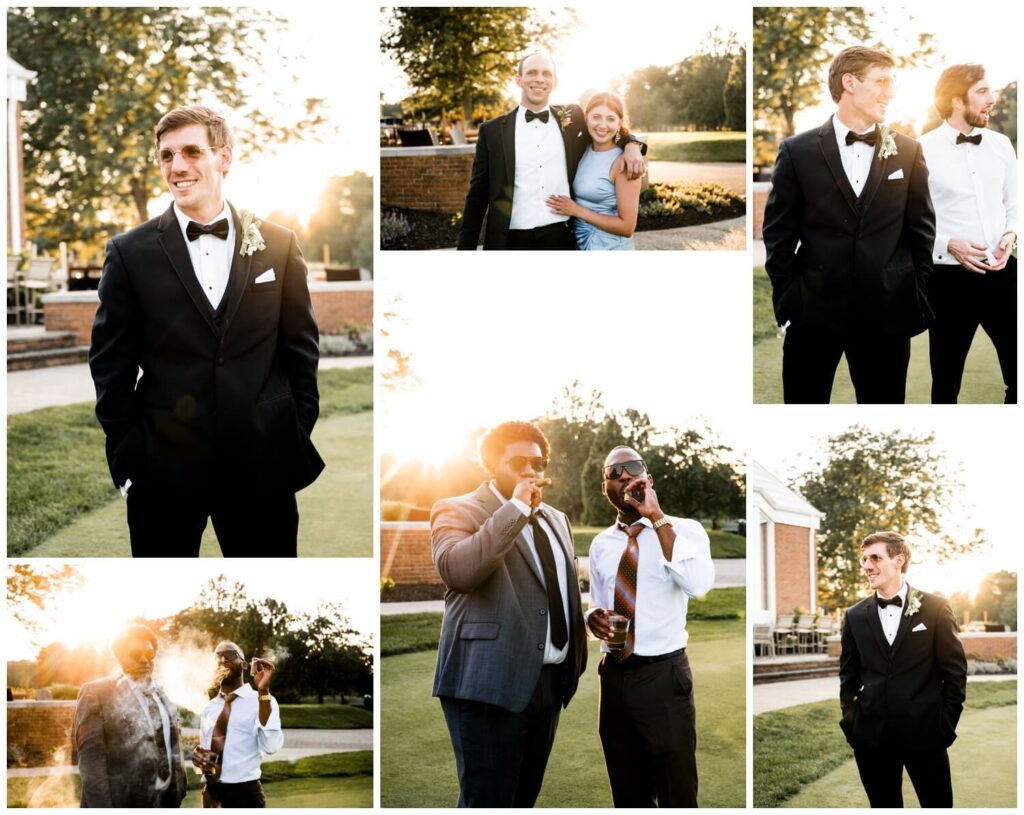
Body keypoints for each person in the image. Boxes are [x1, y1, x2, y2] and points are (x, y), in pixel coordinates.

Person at [89, 105, 324, 556]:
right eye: (166, 156)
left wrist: (293, 431)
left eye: (192, 152)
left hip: (263, 466)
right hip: (163, 473)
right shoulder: (128, 253)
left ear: (225, 158)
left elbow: (301, 352)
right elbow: (110, 365)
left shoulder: (278, 243)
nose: (177, 166)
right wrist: (129, 457)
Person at [762, 46, 936, 403]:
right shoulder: (797, 151)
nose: (890, 92)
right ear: (850, 83)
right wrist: (790, 304)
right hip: (813, 316)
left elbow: (922, 231)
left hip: (887, 319)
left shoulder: (908, 151)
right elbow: (778, 236)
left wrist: (914, 294)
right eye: (882, 81)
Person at [430, 421, 587, 807]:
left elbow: (557, 590)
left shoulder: (557, 519)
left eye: (539, 462)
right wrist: (515, 507)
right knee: (488, 801)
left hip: (550, 683)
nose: (532, 470)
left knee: (523, 800)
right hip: (488, 684)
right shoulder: (456, 508)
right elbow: (459, 570)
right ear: (491, 464)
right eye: (519, 462)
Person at [587, 446, 714, 807]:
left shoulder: (686, 530)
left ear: (648, 479)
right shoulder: (601, 544)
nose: (624, 475)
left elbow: (698, 584)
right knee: (628, 793)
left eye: (633, 467)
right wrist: (590, 618)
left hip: (663, 675)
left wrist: (656, 518)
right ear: (606, 488)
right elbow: (597, 605)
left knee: (677, 792)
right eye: (614, 472)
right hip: (613, 676)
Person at [457, 53, 646, 250]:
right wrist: (465, 249)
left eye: (546, 73)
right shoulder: (492, 131)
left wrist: (632, 144)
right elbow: (477, 196)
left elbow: (606, 127)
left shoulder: (572, 118)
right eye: (532, 73)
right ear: (518, 80)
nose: (540, 79)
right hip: (510, 240)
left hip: (562, 238)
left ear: (554, 82)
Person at [839, 532, 967, 808]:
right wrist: (852, 725)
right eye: (864, 559)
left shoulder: (935, 608)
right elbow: (848, 676)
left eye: (875, 557)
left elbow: (955, 672)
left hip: (926, 734)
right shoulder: (854, 616)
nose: (867, 565)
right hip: (872, 739)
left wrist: (945, 726)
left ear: (899, 560)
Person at [919, 64, 1017, 403]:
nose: (992, 99)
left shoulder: (1003, 145)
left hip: (1004, 275)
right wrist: (947, 244)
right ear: (957, 101)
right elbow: (909, 221)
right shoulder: (921, 150)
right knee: (945, 387)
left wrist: (1011, 234)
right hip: (947, 282)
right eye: (983, 92)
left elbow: (1015, 202)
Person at [73, 625, 188, 808]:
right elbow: (91, 762)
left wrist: (179, 789)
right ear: (120, 658)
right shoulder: (97, 693)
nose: (144, 660)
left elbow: (173, 746)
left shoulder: (161, 694)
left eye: (150, 655)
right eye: (135, 655)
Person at [546, 92, 642, 250]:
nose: (602, 125)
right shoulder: (582, 149)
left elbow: (627, 227)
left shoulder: (624, 162)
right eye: (596, 117)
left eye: (610, 119)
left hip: (609, 247)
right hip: (578, 243)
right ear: (586, 118)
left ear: (619, 123)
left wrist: (577, 211)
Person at [192, 641, 282, 808]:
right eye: (217, 657)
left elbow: (271, 746)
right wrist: (200, 761)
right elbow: (211, 754)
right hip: (211, 793)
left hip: (245, 795)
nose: (223, 659)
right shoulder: (209, 708)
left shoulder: (262, 700)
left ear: (244, 664)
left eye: (230, 655)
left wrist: (263, 692)